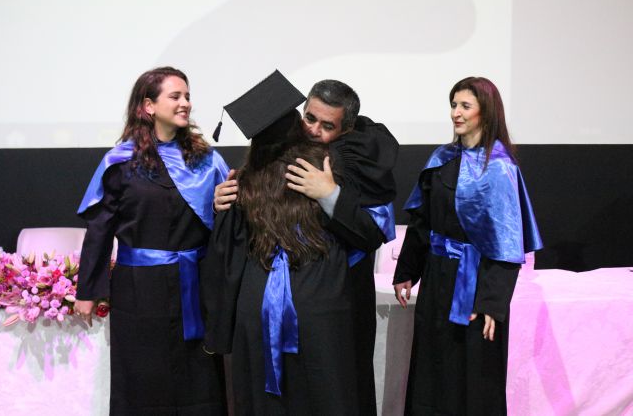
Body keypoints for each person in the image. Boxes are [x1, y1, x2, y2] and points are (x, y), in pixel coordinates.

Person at [202, 71, 386, 415]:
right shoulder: (248, 180)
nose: (314, 130)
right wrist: (219, 207)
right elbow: (369, 235)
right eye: (309, 119)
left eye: (327, 125)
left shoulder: (252, 178)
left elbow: (225, 261)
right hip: (311, 301)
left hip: (272, 303)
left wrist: (329, 193)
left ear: (346, 129)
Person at [74, 66, 229, 415]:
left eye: (187, 96)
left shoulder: (206, 161)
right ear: (148, 106)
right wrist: (87, 291)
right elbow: (100, 230)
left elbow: (225, 224)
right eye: (175, 96)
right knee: (143, 378)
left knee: (198, 378)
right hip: (138, 290)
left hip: (195, 286)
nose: (185, 103)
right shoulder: (121, 163)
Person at [393, 77, 543, 415]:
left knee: (472, 369)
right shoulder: (441, 159)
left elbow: (506, 245)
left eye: (465, 106)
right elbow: (422, 221)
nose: (455, 113)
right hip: (436, 278)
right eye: (453, 105)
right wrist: (407, 271)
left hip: (475, 284)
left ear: (485, 113)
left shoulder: (500, 168)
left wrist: (492, 302)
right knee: (432, 364)